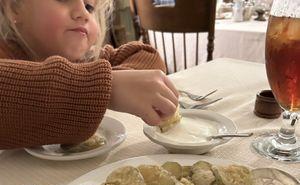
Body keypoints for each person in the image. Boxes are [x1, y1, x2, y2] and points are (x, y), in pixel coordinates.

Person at [0, 0, 178, 149]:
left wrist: (116, 84)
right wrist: (101, 87)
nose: (83, 13)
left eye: (89, 6)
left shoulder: (83, 60)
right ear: (15, 8)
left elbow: (145, 55)